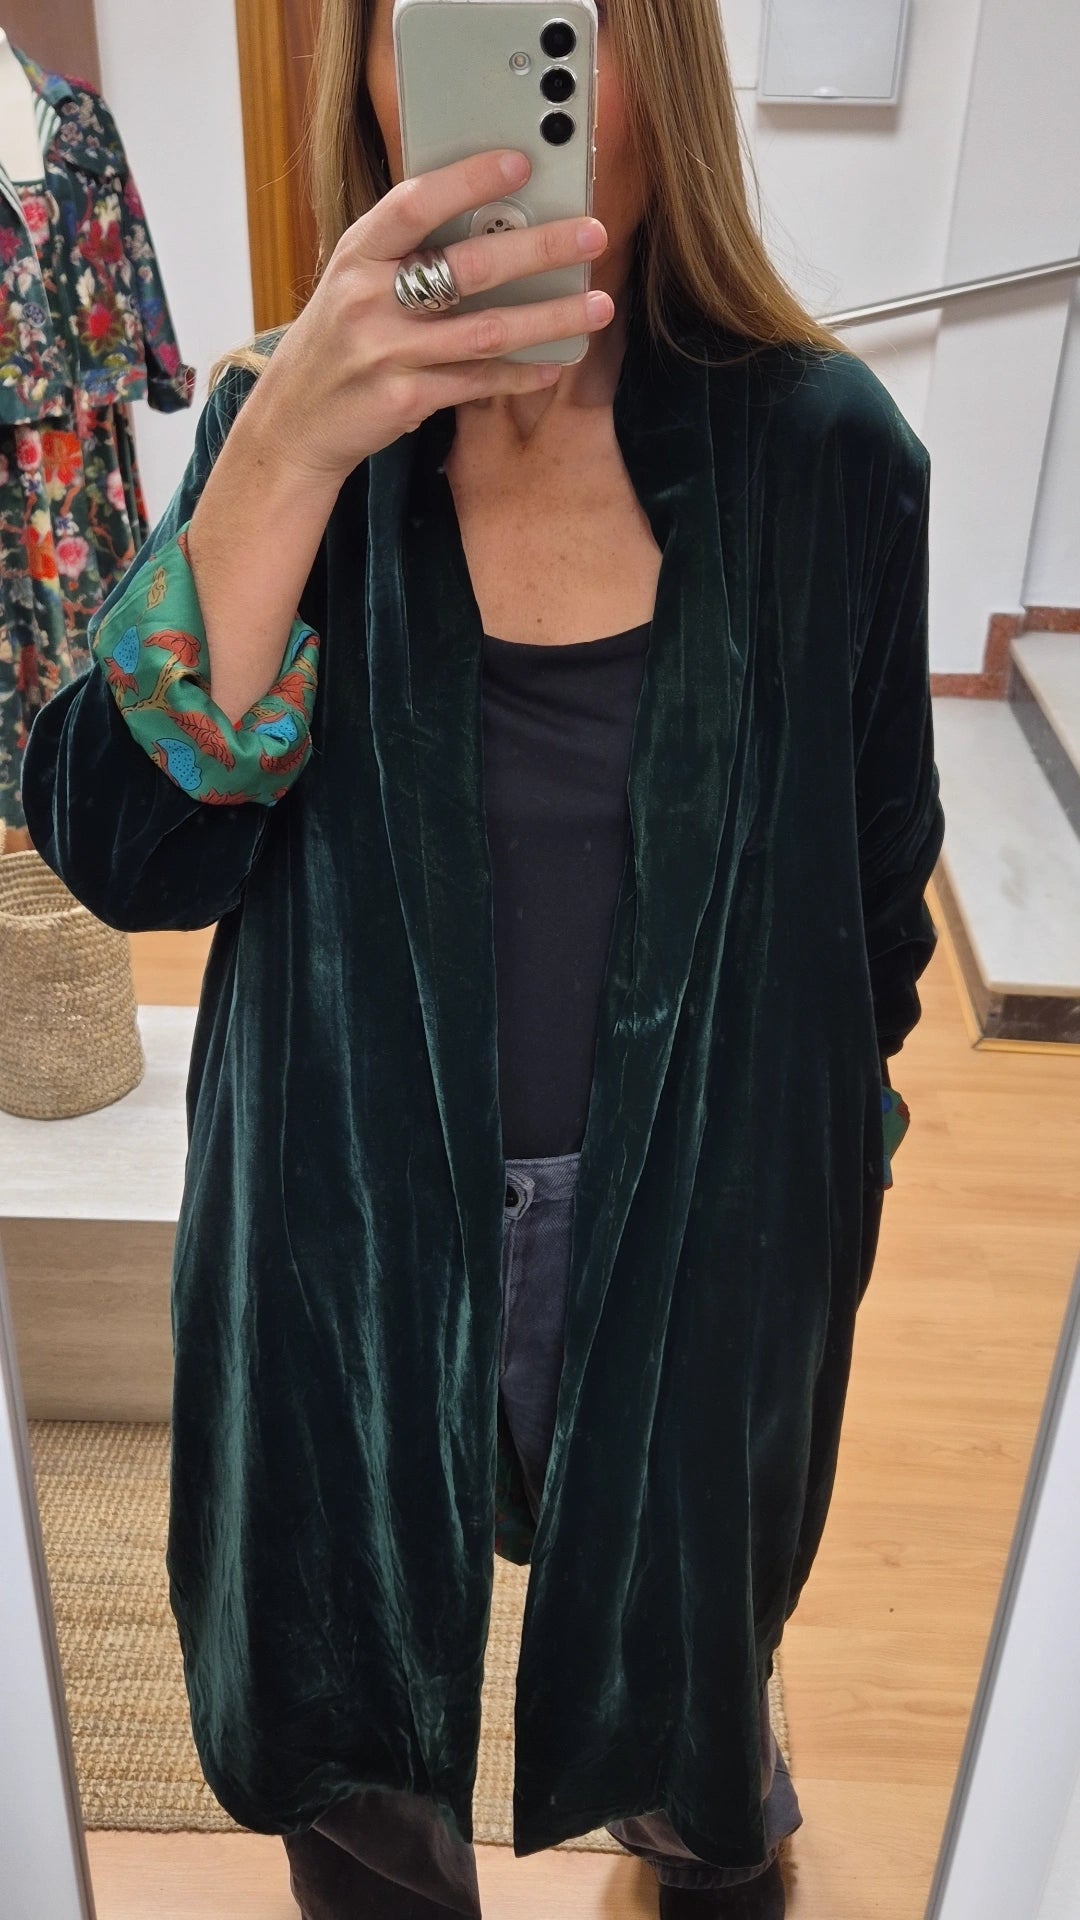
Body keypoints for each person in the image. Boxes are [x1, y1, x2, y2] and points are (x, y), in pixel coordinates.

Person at [21, 1, 944, 1916]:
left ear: (656, 60)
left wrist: (826, 1169)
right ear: (371, 71)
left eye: (561, 19)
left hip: (708, 1223)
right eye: (432, 15)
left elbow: (878, 887)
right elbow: (124, 852)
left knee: (693, 1674)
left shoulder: (827, 450)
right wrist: (288, 447)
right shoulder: (287, 424)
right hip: (340, 1230)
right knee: (351, 1706)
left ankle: (707, 1825)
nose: (511, 94)